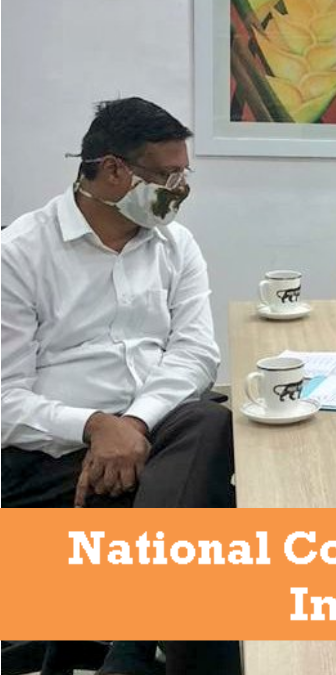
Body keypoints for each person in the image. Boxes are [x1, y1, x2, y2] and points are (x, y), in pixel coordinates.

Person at [0, 97, 240, 674]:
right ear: (113, 171)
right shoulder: (19, 253)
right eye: (168, 176)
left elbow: (196, 354)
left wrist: (132, 423)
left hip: (156, 433)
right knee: (210, 525)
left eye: (185, 175)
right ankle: (142, 648)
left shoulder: (176, 245)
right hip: (58, 456)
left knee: (211, 421)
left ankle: (132, 643)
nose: (181, 190)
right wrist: (94, 427)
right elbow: (6, 398)